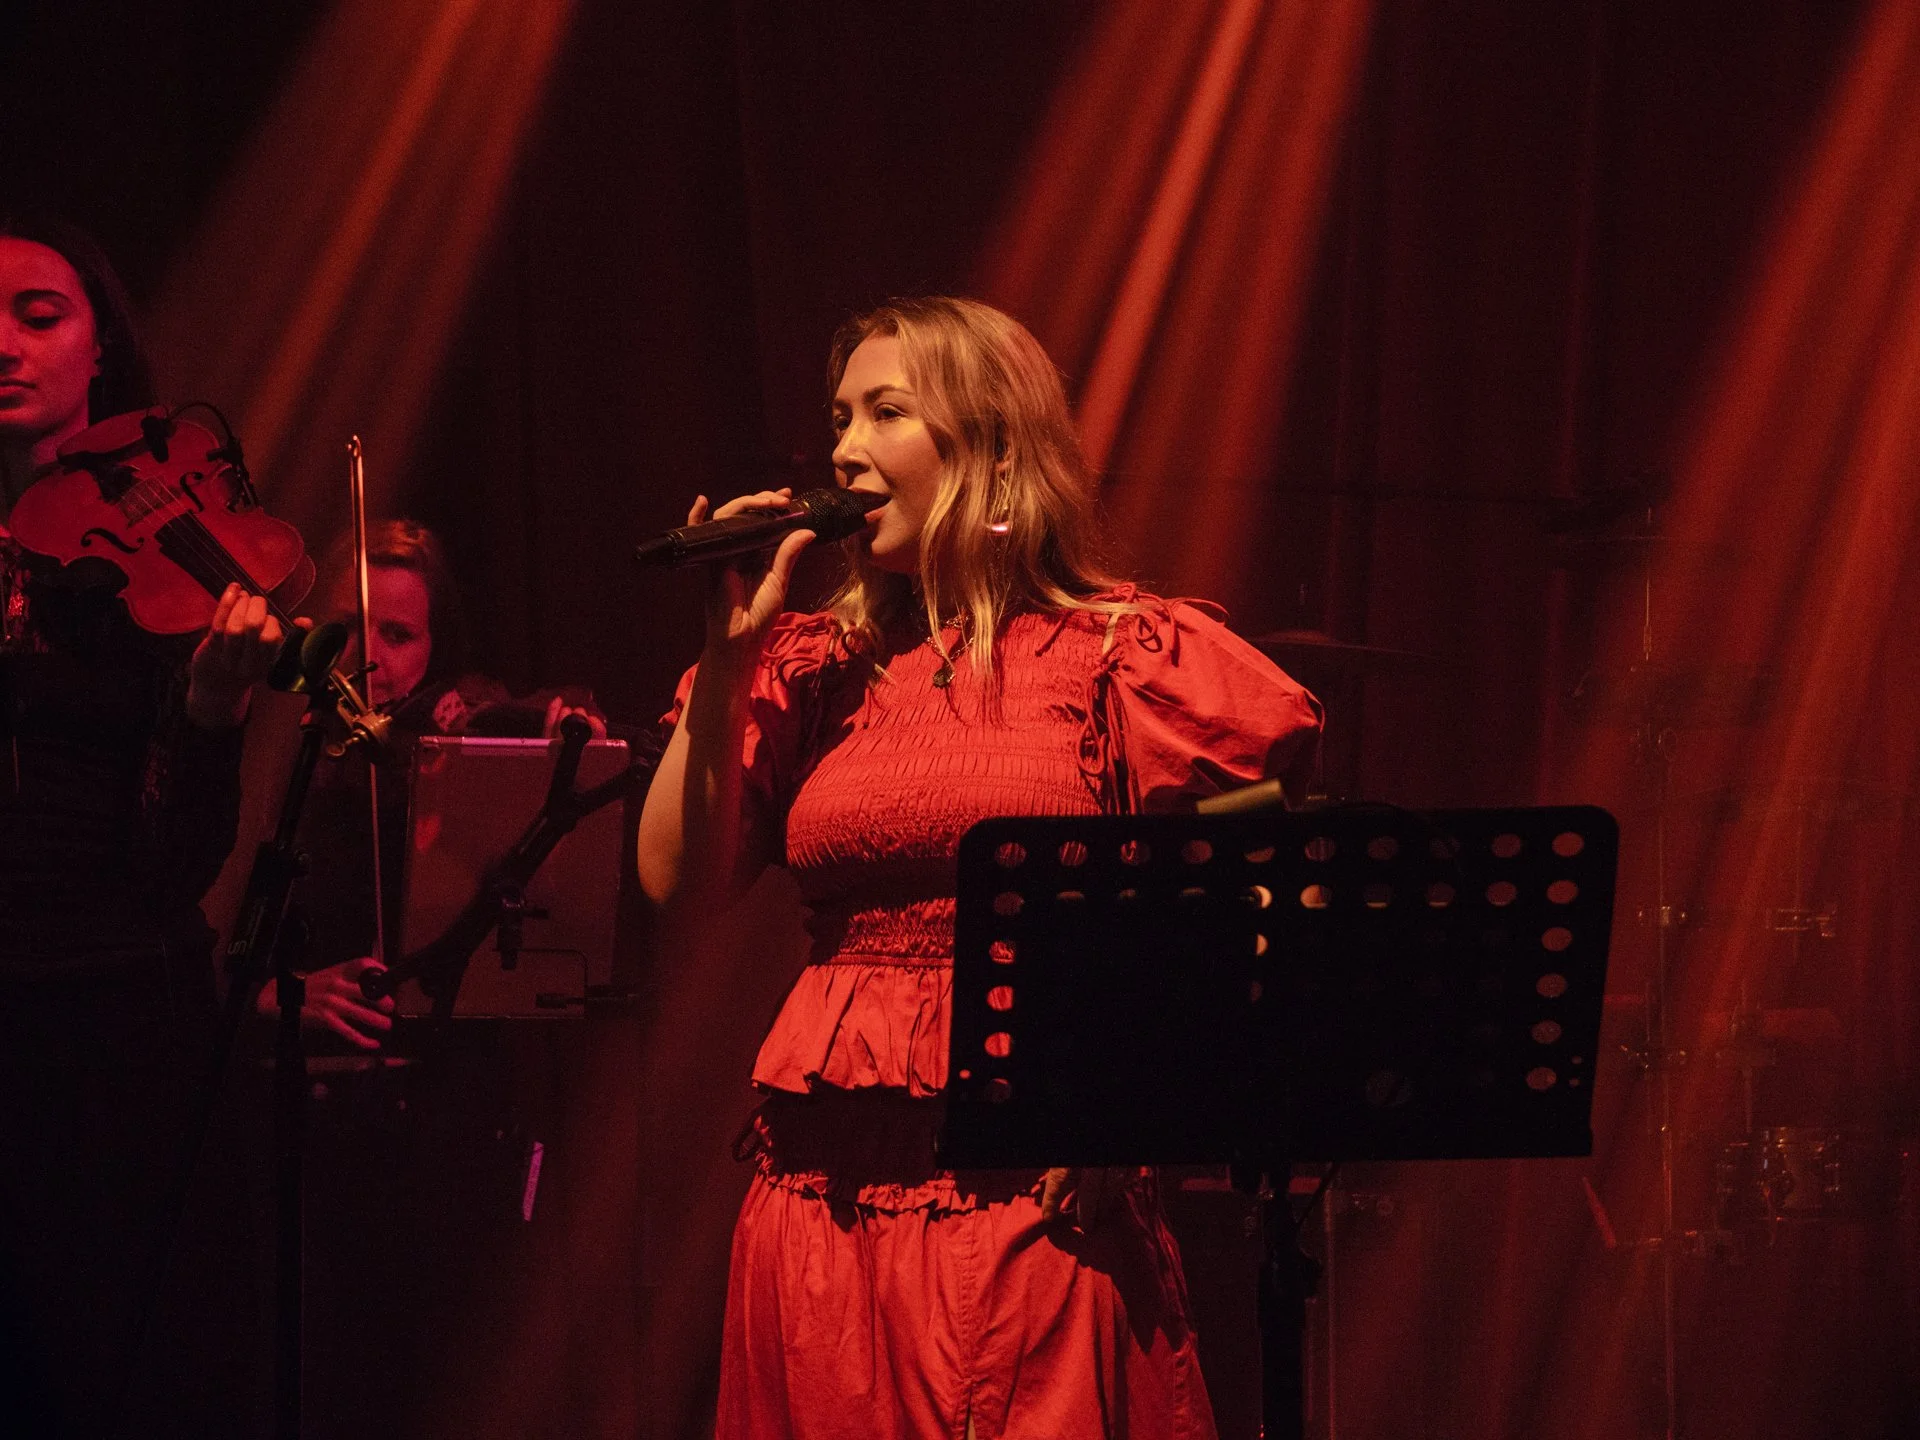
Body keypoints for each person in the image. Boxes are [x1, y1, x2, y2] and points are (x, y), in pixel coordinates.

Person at [638, 296, 1322, 1439]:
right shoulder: (814, 665)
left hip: (1034, 1199)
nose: (845, 448)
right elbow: (675, 879)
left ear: (995, 448)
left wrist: (1131, 1106)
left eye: (886, 412)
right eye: (840, 416)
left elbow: (1260, 894)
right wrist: (726, 649)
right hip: (825, 1204)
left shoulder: (1122, 652)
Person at [0, 214, 292, 1436]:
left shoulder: (155, 555)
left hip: (109, 1027)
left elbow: (173, 867)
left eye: (39, 314)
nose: (2, 344)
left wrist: (216, 705)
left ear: (101, 350)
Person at [255, 516, 607, 1049]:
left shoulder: (450, 728)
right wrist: (283, 994)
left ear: (434, 644)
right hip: (304, 1068)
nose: (368, 655)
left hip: (448, 1059)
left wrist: (562, 748)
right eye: (349, 625)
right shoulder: (276, 749)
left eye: (398, 635)